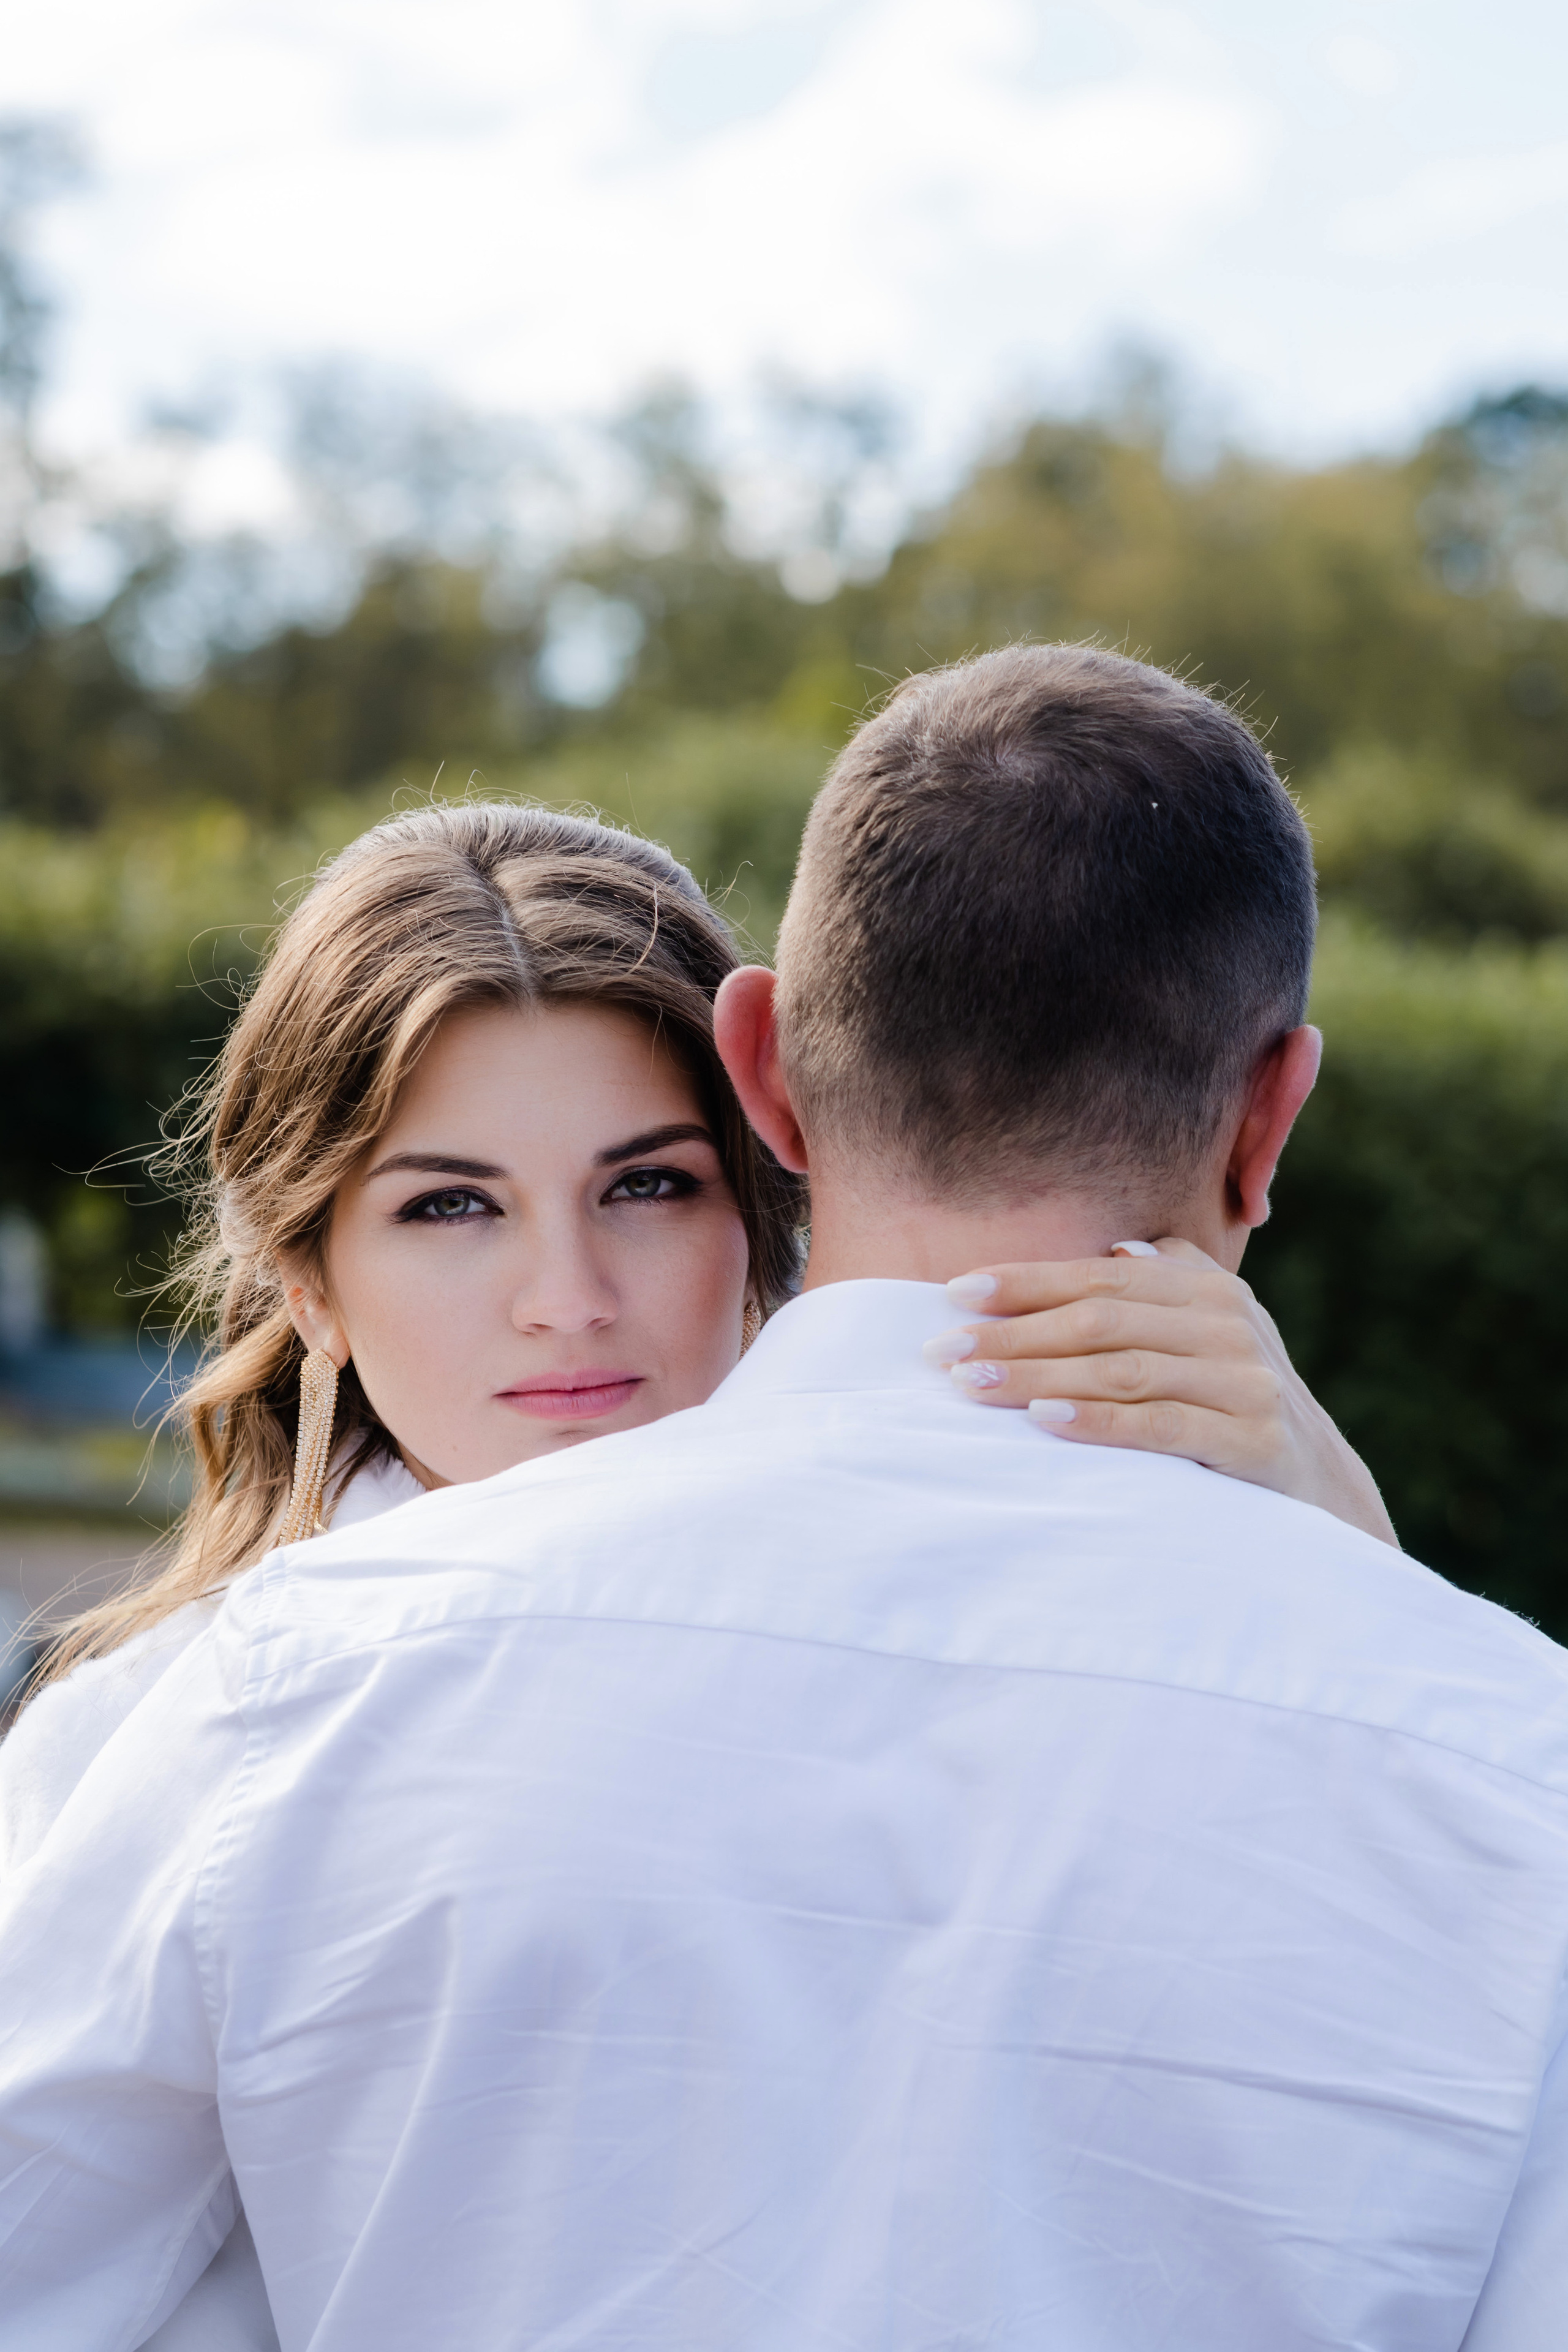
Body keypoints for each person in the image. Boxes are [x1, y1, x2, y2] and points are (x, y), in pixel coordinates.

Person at [7, 646, 1532, 2346]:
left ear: (768, 1122)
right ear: (303, 1269)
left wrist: (1346, 1564)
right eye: (451, 1209)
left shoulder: (298, 1695)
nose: (567, 1300)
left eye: (648, 1188)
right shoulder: (204, 1721)